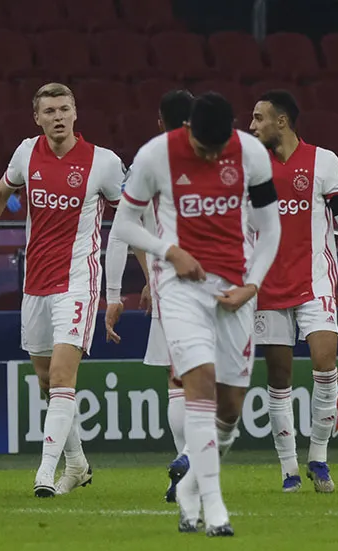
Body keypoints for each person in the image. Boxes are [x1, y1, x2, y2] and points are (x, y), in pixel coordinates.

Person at [111, 92, 282, 536]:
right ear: (188, 131)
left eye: (217, 148)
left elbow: (270, 228)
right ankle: (214, 506)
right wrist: (169, 251)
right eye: (203, 148)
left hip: (235, 287)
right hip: (179, 284)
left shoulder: (250, 153)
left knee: (231, 406)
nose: (210, 155)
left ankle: (190, 485)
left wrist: (252, 285)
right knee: (199, 382)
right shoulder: (156, 155)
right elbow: (124, 225)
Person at [0, 82, 125, 497]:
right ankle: (78, 464)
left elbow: (133, 217)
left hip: (78, 283)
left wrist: (123, 286)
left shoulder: (103, 163)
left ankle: (45, 474)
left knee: (64, 376)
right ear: (37, 118)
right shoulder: (26, 153)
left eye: (64, 109)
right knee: (47, 381)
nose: (58, 117)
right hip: (36, 285)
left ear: (75, 113)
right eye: (49, 111)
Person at [249, 90, 338, 493]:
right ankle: (288, 470)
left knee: (324, 361)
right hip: (267, 286)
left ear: (281, 121)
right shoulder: (252, 165)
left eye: (258, 118)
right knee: (279, 376)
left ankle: (318, 456)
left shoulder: (324, 161)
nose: (252, 126)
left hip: (315, 281)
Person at [102, 89, 194, 501]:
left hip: (168, 286)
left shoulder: (145, 163)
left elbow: (122, 230)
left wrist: (117, 292)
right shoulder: (224, 156)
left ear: (160, 121)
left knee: (177, 383)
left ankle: (185, 463)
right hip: (217, 280)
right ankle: (191, 458)